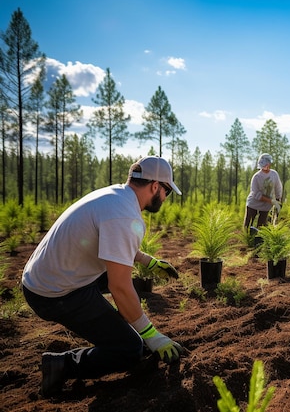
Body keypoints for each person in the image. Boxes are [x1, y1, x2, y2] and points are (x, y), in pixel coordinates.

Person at [22, 156, 184, 397]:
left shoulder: (115, 197)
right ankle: (61, 365)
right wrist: (151, 335)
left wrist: (147, 261)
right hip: (55, 293)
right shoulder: (124, 216)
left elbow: (113, 241)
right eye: (167, 192)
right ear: (155, 187)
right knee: (129, 348)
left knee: (123, 287)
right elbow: (118, 286)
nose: (165, 198)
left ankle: (116, 324)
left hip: (46, 275)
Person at [244, 153, 283, 230]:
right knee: (248, 225)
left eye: (267, 164)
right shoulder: (256, 177)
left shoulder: (274, 174)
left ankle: (258, 240)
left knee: (262, 227)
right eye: (264, 164)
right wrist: (271, 201)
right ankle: (247, 239)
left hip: (266, 205)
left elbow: (278, 188)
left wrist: (278, 201)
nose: (266, 166)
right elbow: (256, 194)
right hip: (253, 203)